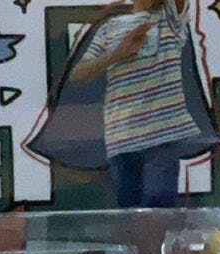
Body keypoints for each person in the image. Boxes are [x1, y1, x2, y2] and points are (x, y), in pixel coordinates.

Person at [71, 0, 198, 208]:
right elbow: (77, 75)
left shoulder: (168, 17)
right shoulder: (108, 27)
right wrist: (117, 54)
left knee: (158, 209)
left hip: (162, 135)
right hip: (121, 136)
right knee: (128, 211)